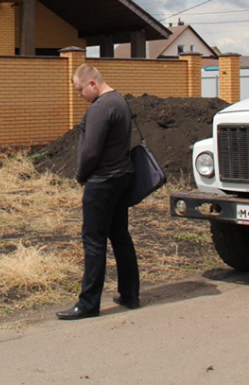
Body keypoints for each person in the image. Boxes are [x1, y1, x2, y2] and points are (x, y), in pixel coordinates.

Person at [57, 64, 139, 320]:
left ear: (92, 83)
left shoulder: (101, 108)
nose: (79, 95)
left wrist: (81, 175)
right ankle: (130, 294)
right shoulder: (120, 101)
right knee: (120, 236)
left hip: (102, 182)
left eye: (80, 90)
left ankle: (88, 304)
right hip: (121, 178)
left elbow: (91, 151)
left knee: (93, 242)